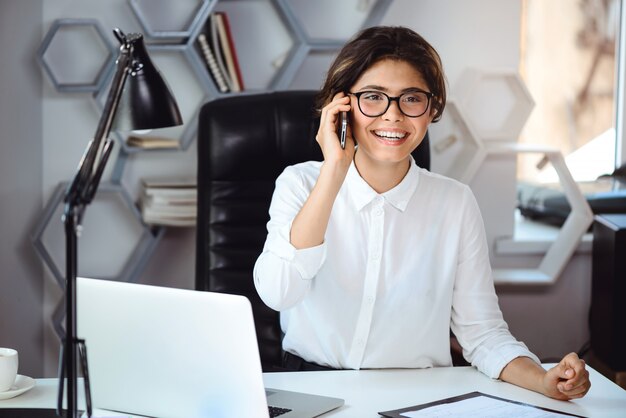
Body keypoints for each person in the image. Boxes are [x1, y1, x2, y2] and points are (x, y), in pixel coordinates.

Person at [253, 26, 590, 400]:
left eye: (411, 99)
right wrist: (333, 170)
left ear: (432, 109)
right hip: (309, 389)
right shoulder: (299, 184)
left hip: (416, 396)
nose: (393, 116)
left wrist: (543, 380)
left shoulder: (455, 202)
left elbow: (482, 333)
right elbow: (279, 292)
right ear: (343, 106)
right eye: (373, 97)